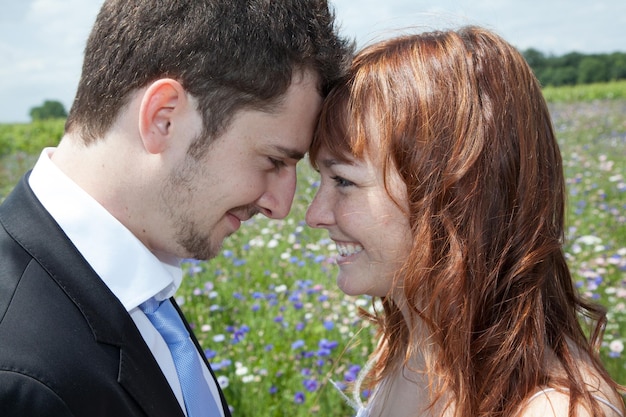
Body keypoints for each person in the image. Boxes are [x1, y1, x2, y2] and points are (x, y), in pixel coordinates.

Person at [0, 0, 351, 416]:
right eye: (273, 160)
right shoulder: (23, 381)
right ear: (164, 118)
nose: (282, 207)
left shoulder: (134, 283)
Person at [306, 26, 625, 417]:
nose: (314, 215)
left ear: (453, 196)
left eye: (343, 181)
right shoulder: (412, 346)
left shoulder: (552, 409)